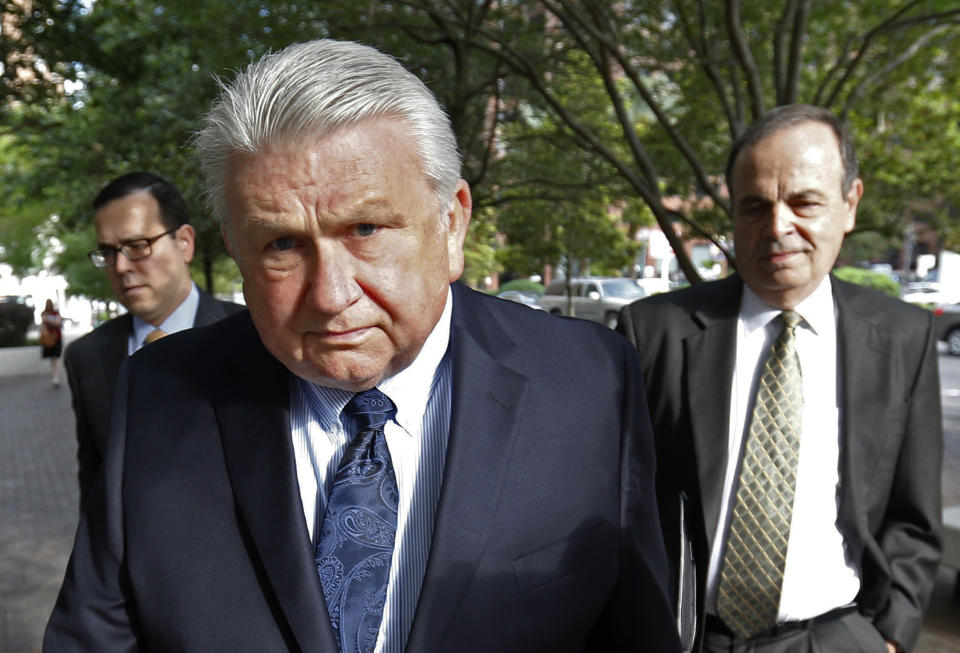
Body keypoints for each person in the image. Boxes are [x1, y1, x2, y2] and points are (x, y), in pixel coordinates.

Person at [44, 39, 679, 652]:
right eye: (282, 245)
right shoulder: (160, 395)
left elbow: (634, 630)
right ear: (236, 249)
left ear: (451, 223)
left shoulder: (590, 382)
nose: (330, 294)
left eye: (366, 229)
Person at [618, 104, 942, 653]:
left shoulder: (902, 337)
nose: (777, 226)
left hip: (838, 636)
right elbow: (615, 502)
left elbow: (913, 517)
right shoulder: (654, 333)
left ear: (850, 204)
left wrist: (891, 636)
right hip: (688, 639)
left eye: (804, 202)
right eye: (755, 207)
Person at [63, 171, 243, 508]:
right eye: (108, 252)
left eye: (136, 246)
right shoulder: (85, 357)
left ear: (185, 243)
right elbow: (95, 485)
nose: (119, 267)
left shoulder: (253, 335)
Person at [39, 299, 63, 387]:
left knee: (55, 358)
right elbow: (43, 326)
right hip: (48, 338)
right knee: (53, 359)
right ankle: (55, 376)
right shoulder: (44, 314)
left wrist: (49, 320)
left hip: (55, 338)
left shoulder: (55, 313)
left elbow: (58, 323)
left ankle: (56, 377)